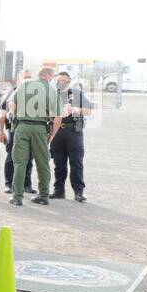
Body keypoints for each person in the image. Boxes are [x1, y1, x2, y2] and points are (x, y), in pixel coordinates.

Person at [7, 66, 66, 206]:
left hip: (21, 127)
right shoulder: (52, 90)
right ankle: (44, 196)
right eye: (52, 77)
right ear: (46, 76)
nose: (52, 79)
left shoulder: (24, 84)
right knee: (42, 163)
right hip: (40, 128)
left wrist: (13, 113)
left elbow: (11, 103)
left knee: (20, 162)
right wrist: (51, 135)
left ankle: (17, 197)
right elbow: (58, 117)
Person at [50, 72, 92, 201]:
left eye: (64, 81)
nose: (61, 83)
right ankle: (59, 190)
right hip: (57, 131)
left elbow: (89, 111)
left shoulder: (77, 94)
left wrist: (75, 110)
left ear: (69, 82)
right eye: (59, 80)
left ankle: (79, 192)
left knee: (76, 162)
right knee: (59, 163)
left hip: (74, 131)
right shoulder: (52, 94)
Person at [2, 72, 34, 196]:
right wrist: (0, 130)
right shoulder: (12, 92)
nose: (27, 79)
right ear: (18, 79)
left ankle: (27, 184)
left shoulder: (35, 93)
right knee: (11, 156)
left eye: (29, 77)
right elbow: (4, 112)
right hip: (14, 128)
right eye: (25, 77)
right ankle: (9, 184)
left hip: (30, 129)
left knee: (29, 157)